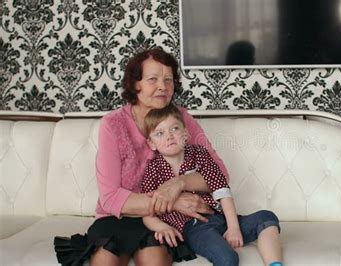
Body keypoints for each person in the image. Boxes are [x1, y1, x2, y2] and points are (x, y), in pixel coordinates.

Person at [54, 48, 229, 266]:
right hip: (119, 217)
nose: (162, 87)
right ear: (135, 84)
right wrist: (170, 201)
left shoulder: (181, 119)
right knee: (105, 259)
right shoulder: (113, 124)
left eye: (168, 79)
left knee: (153, 259)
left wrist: (180, 182)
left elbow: (220, 173)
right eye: (152, 79)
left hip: (163, 221)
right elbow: (110, 197)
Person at [140, 104, 284, 266]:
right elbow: (148, 210)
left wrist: (233, 227)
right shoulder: (153, 169)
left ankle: (275, 263)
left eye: (174, 129)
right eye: (160, 133)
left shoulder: (199, 154)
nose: (169, 136)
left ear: (185, 134)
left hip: (220, 218)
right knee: (228, 257)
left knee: (267, 216)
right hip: (194, 228)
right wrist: (161, 227)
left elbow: (221, 189)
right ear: (151, 143)